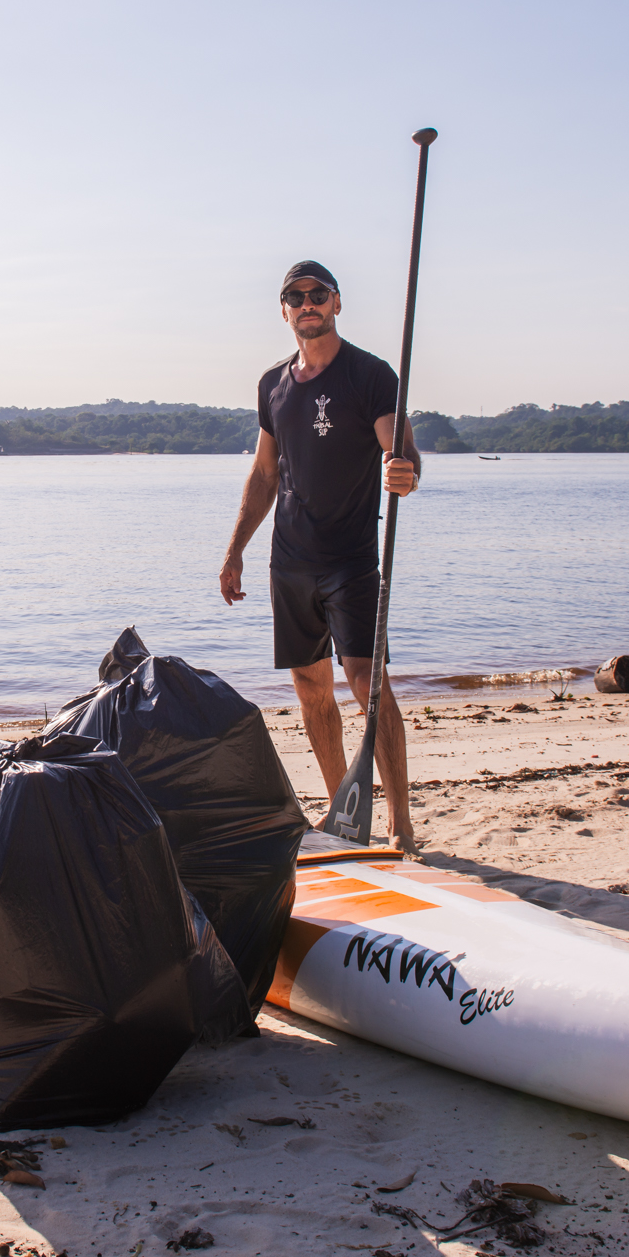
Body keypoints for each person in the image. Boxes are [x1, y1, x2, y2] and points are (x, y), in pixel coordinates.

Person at [219, 260, 421, 850]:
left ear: (336, 303)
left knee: (366, 683)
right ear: (284, 310)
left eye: (318, 294)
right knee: (311, 687)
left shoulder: (371, 375)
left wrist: (404, 472)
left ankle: (400, 822)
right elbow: (263, 473)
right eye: (295, 296)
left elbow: (399, 447)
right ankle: (344, 812)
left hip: (352, 557)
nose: (307, 303)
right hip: (292, 561)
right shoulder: (272, 385)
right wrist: (235, 552)